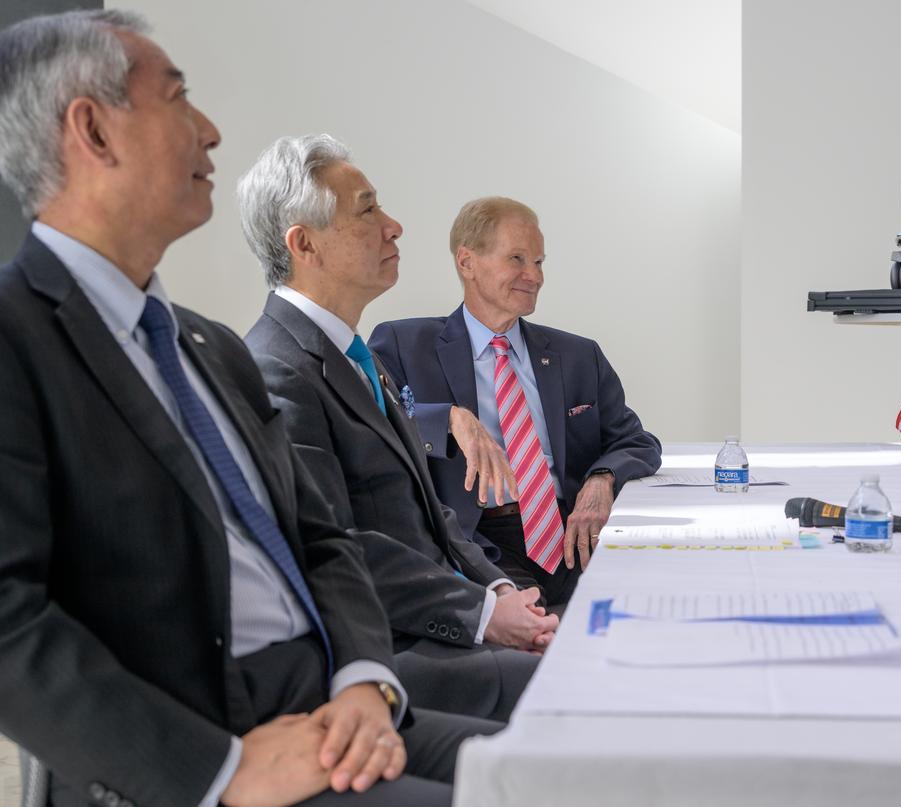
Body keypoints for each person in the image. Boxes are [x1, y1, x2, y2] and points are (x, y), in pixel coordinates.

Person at [0, 12, 497, 806]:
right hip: (201, 753)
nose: (211, 129)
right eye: (178, 98)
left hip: (331, 712)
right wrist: (218, 770)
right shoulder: (16, 338)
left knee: (564, 769)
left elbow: (321, 535)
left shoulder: (206, 345)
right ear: (91, 129)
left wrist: (367, 682)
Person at [239, 136, 557, 721]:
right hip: (383, 649)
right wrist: (482, 616)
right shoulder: (275, 368)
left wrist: (501, 594)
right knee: (579, 690)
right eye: (367, 210)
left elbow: (433, 519)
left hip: (436, 620)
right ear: (304, 243)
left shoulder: (357, 355)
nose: (395, 226)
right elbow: (335, 545)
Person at [370, 197, 662, 609]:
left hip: (573, 533)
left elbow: (637, 441)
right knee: (546, 633)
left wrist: (602, 479)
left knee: (647, 608)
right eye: (517, 259)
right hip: (479, 541)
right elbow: (373, 422)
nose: (534, 276)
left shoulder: (578, 356)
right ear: (466, 262)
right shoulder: (403, 344)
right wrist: (450, 419)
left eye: (539, 262)